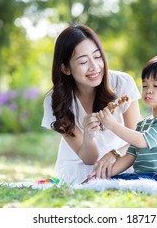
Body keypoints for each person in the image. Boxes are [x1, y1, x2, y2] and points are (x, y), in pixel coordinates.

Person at [41, 24, 141, 184]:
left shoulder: (122, 83)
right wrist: (88, 135)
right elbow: (88, 158)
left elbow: (139, 140)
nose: (94, 67)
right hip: (80, 165)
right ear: (66, 69)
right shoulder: (56, 101)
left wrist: (115, 153)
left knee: (136, 167)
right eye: (83, 62)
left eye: (97, 56)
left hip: (121, 157)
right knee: (89, 175)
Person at [88, 55, 157, 184]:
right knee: (114, 181)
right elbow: (130, 157)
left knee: (134, 182)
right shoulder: (143, 124)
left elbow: (143, 141)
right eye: (145, 86)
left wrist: (113, 125)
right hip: (143, 176)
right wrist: (103, 176)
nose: (148, 91)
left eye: (156, 86)